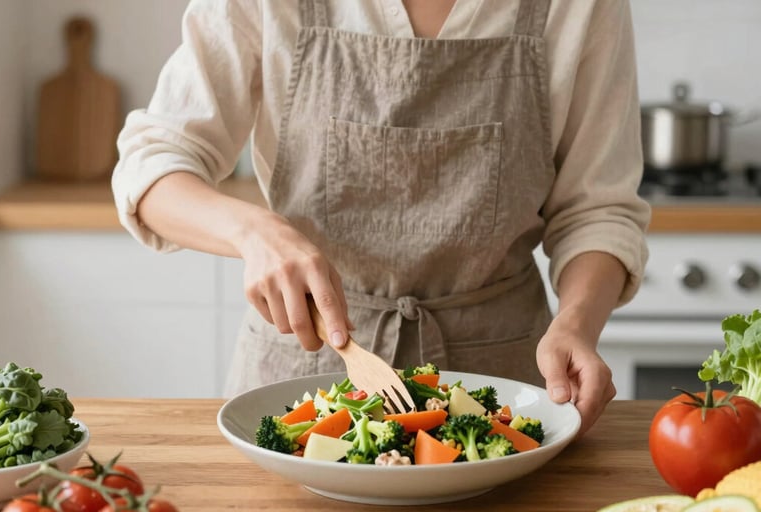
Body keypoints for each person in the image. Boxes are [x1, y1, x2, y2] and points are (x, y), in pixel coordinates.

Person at [112, 0, 650, 437]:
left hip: (505, 386)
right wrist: (256, 234)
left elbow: (597, 210)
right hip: (307, 371)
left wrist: (577, 322)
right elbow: (151, 165)